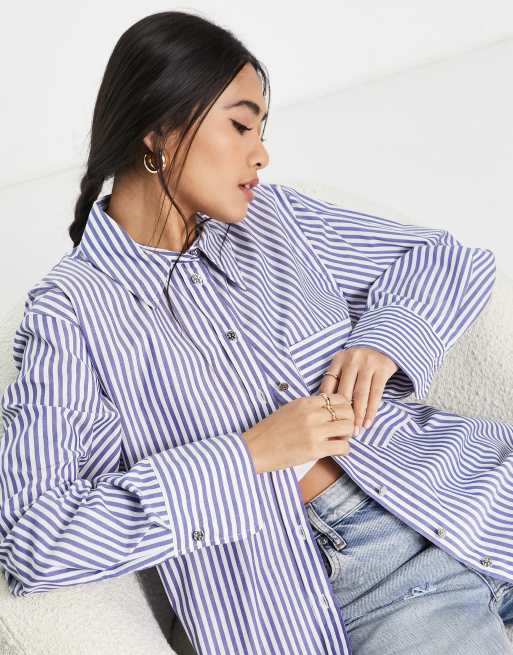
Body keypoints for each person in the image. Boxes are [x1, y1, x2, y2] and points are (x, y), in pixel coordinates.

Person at [1, 10, 512, 655]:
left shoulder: (277, 218)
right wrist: (248, 456)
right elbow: (37, 540)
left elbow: (448, 259)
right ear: (160, 130)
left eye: (261, 130)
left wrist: (384, 340)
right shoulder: (70, 316)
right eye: (242, 125)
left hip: (470, 489)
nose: (261, 152)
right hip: (354, 586)